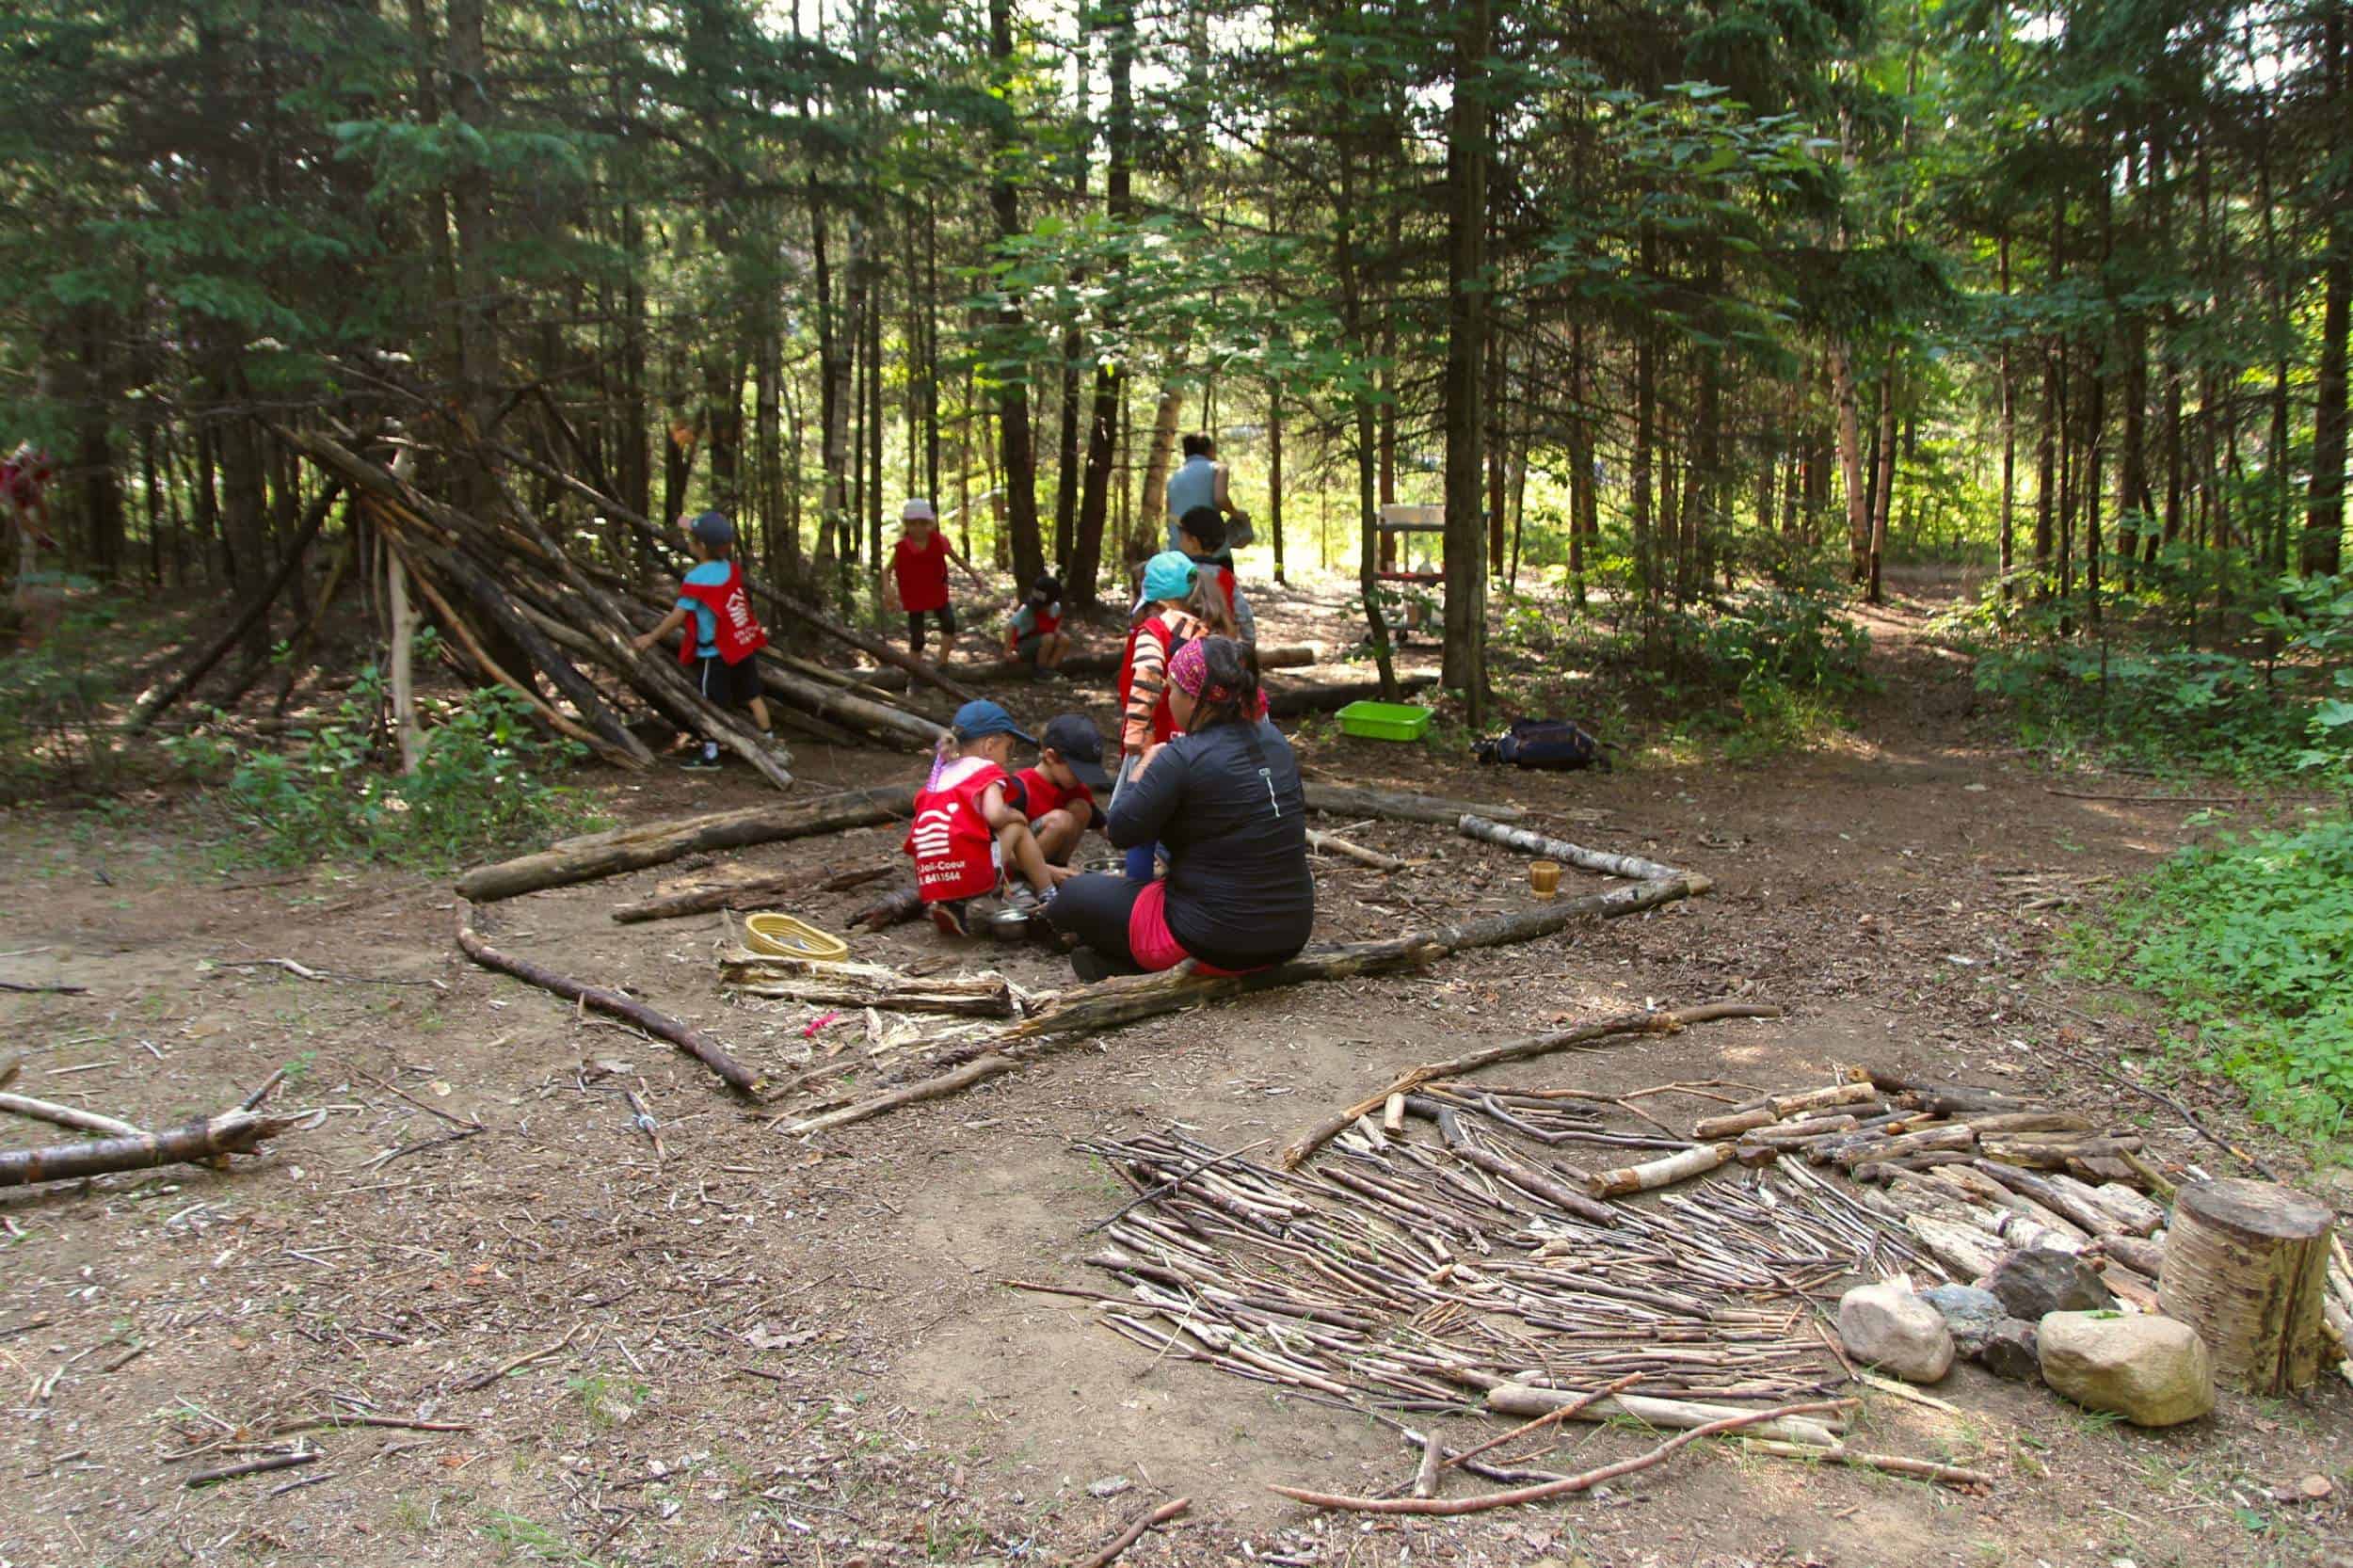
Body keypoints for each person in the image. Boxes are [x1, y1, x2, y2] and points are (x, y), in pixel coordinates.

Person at [1047, 637, 1313, 982]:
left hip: (1212, 942)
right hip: (1289, 934)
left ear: (1194, 698)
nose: (1167, 698)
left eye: (1171, 689)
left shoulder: (1181, 756)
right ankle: (1113, 963)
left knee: (1073, 896)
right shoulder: (1275, 741)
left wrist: (1141, 771)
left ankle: (1126, 965)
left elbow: (1121, 830)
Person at [904, 699, 1074, 937]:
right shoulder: (986, 772)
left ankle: (952, 905)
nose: (1008, 757)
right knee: (1016, 827)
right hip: (968, 872)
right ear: (990, 745)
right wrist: (1016, 815)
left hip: (931, 876)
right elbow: (994, 815)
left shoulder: (939, 775)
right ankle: (1049, 895)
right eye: (1008, 748)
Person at [631, 511, 775, 770]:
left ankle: (711, 755)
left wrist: (651, 637)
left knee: (709, 704)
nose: (689, 541)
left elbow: (678, 616)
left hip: (716, 653)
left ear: (701, 546)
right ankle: (770, 741)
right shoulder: (730, 569)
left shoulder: (697, 578)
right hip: (741, 646)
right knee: (753, 696)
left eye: (692, 538)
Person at [1113, 551, 1207, 881]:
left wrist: (1135, 734)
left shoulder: (1154, 630)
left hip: (1154, 743)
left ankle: (1137, 889)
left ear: (1152, 598)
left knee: (1142, 824)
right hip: (1192, 743)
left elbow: (1147, 676)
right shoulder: (1203, 632)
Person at [886, 498, 986, 663]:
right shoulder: (902, 547)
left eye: (922, 523)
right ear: (907, 525)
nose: (918, 528)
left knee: (949, 623)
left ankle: (942, 664)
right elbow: (887, 571)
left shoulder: (939, 541)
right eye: (913, 524)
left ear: (929, 524)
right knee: (918, 639)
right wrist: (888, 590)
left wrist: (974, 574)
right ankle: (915, 671)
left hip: (936, 592)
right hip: (914, 595)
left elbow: (957, 559)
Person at [1015, 712, 1112, 870]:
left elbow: (1106, 829)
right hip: (1017, 860)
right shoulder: (1020, 788)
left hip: (1047, 865)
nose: (1082, 779)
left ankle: (1060, 867)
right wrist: (1048, 871)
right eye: (1078, 772)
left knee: (1082, 808)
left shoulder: (1075, 789)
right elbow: (1000, 850)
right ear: (1050, 757)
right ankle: (1032, 877)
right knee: (1060, 820)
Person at [1173, 505, 1255, 644]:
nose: (1179, 541)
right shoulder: (1225, 576)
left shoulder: (1177, 573)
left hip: (1183, 646)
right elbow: (1243, 614)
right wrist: (1249, 643)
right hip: (1220, 645)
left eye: (1182, 537)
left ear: (1193, 542)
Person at [1163, 432, 1251, 551]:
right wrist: (1237, 515)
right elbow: (1221, 499)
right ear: (1210, 450)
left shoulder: (1173, 477)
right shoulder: (1218, 468)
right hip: (1210, 548)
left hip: (1178, 548)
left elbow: (1169, 515)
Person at [1004, 572, 1073, 679]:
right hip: (1023, 645)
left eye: (1043, 605)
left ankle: (1050, 669)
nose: (1040, 608)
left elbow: (1056, 624)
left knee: (1065, 639)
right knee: (1049, 638)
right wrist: (1008, 651)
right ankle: (1040, 671)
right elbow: (1010, 626)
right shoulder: (1027, 610)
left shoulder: (1056, 608)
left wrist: (1058, 632)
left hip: (1044, 642)